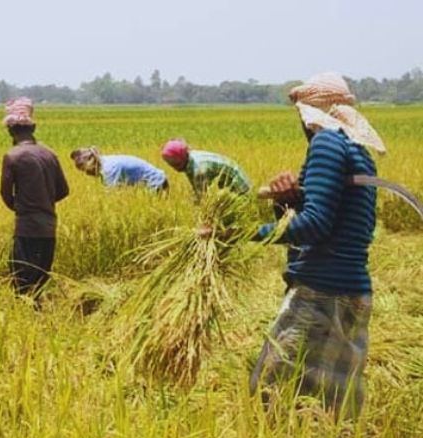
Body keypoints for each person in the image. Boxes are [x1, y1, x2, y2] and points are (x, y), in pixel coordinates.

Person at [249, 72, 386, 418]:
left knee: (271, 391)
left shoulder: (326, 144)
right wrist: (286, 203)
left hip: (322, 292)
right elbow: (329, 216)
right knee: (333, 408)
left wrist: (245, 233)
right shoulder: (355, 150)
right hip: (351, 292)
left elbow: (314, 225)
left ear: (307, 114)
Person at [0, 97, 69, 303]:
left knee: (21, 281)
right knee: (40, 279)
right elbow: (64, 190)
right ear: (34, 127)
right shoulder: (50, 154)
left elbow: (5, 194)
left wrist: (21, 207)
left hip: (26, 228)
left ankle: (28, 320)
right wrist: (44, 203)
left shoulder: (12, 156)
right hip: (49, 226)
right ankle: (38, 319)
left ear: (11, 131)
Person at [160, 139, 251, 200]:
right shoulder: (188, 160)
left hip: (237, 183)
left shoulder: (199, 169)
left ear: (181, 158)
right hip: (226, 183)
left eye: (175, 163)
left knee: (241, 199)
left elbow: (202, 198)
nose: (173, 167)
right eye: (170, 164)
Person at [70, 146, 168, 192]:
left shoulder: (109, 169)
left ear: (91, 164)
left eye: (85, 170)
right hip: (151, 184)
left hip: (156, 184)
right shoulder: (104, 162)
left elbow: (111, 195)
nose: (87, 174)